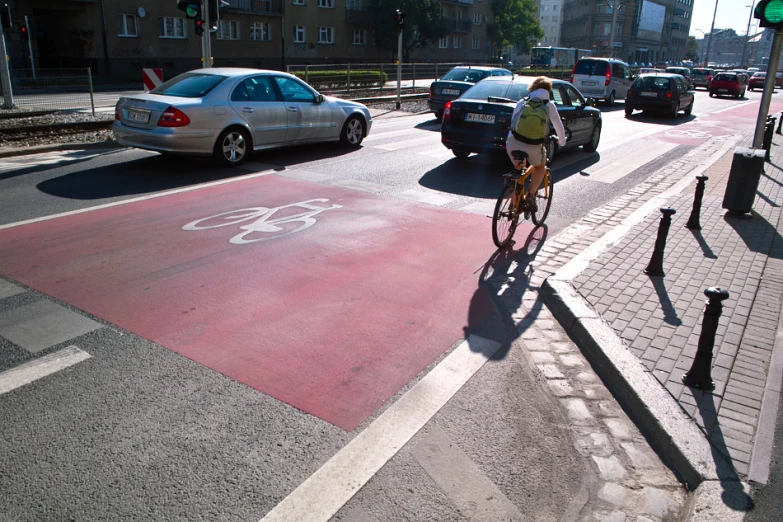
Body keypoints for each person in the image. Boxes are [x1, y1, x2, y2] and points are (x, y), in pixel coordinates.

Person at [505, 76, 567, 211]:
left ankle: (513, 202)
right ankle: (530, 195)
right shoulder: (549, 105)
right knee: (540, 166)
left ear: (532, 88)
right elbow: (559, 127)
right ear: (548, 90)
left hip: (513, 143)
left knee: (518, 168)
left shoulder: (522, 102)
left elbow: (513, 122)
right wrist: (562, 141)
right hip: (533, 145)